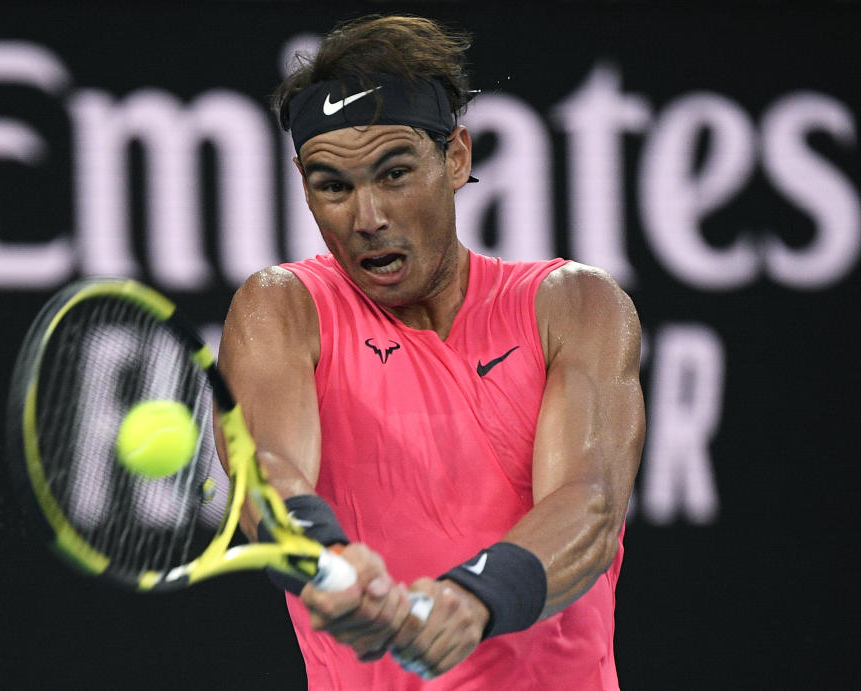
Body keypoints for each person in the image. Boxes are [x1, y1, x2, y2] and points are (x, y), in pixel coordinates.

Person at [216, 14, 645, 690]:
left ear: (457, 157)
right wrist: (325, 560)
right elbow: (267, 473)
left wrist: (472, 597)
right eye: (334, 185)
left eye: (393, 173)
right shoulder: (282, 309)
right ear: (305, 186)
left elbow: (588, 503)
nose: (367, 217)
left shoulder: (574, 305)